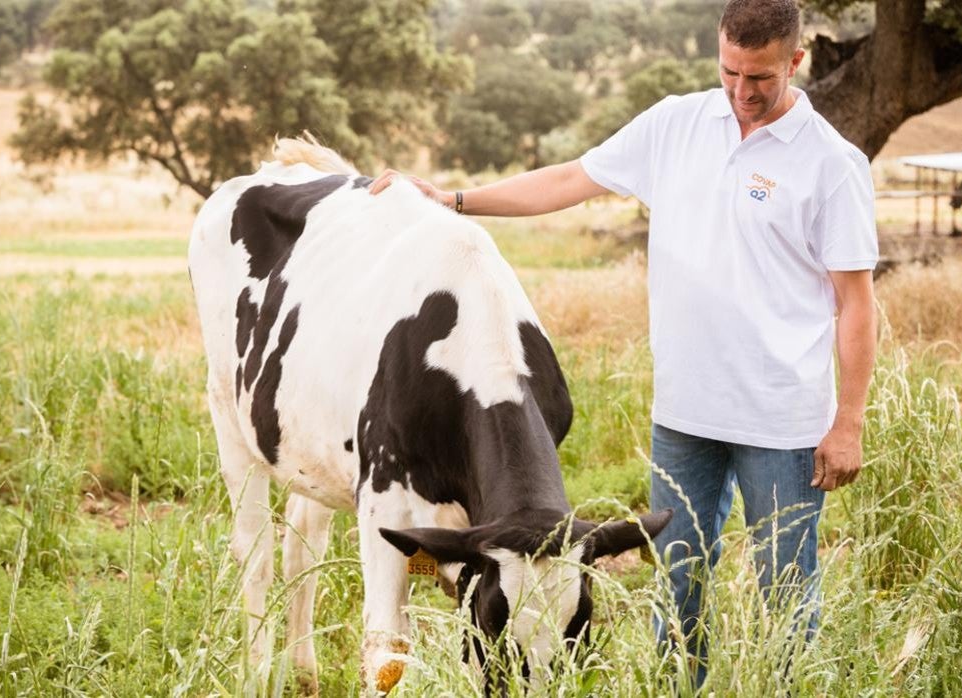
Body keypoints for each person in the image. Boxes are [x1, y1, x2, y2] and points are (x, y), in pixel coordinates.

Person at [369, 0, 877, 684]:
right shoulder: (676, 124)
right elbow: (569, 180)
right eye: (729, 71)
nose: (741, 92)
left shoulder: (831, 165)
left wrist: (847, 422)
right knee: (678, 586)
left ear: (796, 61)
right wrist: (452, 199)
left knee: (785, 588)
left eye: (760, 78)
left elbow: (856, 303)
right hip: (685, 415)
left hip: (781, 422)